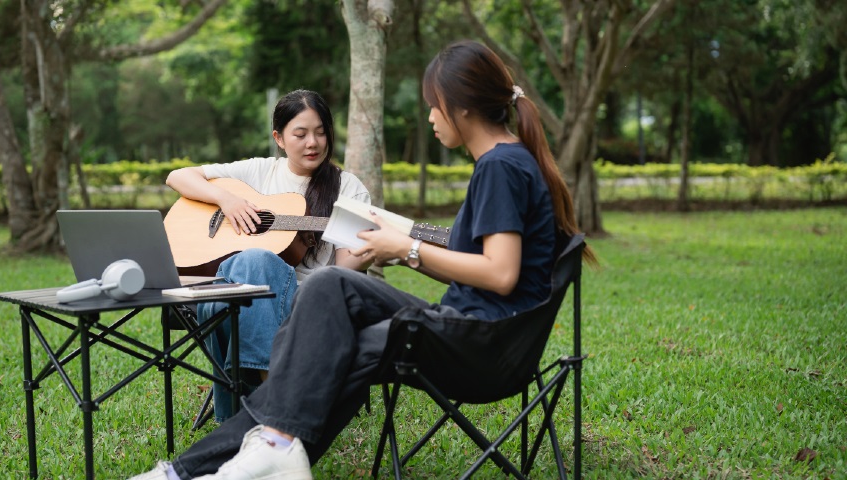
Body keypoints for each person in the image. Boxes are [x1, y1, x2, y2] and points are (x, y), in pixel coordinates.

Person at [131, 40, 595, 480]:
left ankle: (205, 465)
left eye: (434, 105)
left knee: (329, 298)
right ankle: (253, 454)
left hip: (480, 340)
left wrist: (405, 249)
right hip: (481, 334)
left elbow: (500, 274)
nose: (430, 117)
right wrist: (400, 247)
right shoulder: (510, 161)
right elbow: (492, 269)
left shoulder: (499, 167)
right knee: (331, 311)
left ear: (462, 106)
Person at [164, 89, 372, 423]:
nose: (313, 143)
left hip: (305, 297)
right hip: (240, 294)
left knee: (253, 265)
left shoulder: (348, 188)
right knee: (243, 273)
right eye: (300, 134)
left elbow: (346, 267)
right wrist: (226, 200)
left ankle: (247, 415)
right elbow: (178, 176)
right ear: (279, 138)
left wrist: (369, 251)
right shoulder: (260, 172)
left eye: (321, 132)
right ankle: (276, 399)